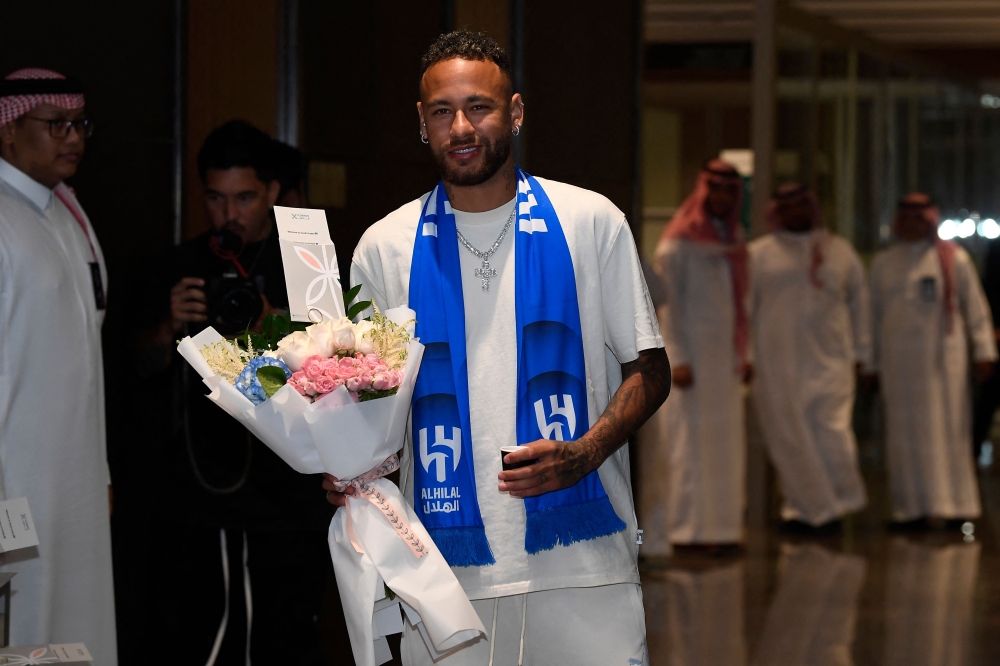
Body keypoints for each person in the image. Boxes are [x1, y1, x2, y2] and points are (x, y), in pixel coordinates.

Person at [326, 30, 670, 665]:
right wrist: (347, 461)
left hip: (583, 563)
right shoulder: (384, 245)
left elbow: (650, 369)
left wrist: (587, 451)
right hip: (440, 574)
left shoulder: (590, 221)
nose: (461, 127)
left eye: (479, 107)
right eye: (441, 111)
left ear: (514, 111)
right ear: (421, 124)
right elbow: (370, 401)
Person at [138, 121, 333, 664]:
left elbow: (342, 370)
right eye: (216, 199)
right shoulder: (180, 265)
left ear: (272, 192)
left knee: (288, 639)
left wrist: (277, 328)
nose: (230, 216)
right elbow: (141, 369)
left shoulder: (305, 263)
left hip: (288, 495)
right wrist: (168, 327)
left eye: (245, 198)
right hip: (200, 493)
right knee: (200, 641)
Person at [0, 69, 117, 660]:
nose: (72, 137)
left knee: (76, 623)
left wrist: (98, 473)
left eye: (79, 125)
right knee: (22, 625)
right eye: (55, 124)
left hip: (73, 480)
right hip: (15, 484)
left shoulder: (66, 213)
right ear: (9, 128)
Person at [749, 182, 870, 532]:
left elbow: (859, 305)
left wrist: (863, 353)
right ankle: (804, 510)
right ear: (777, 212)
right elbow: (744, 309)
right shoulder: (759, 254)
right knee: (789, 436)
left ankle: (839, 502)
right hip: (776, 362)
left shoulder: (841, 251)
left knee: (832, 433)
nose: (795, 213)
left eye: (802, 205)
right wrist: (747, 356)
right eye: (787, 207)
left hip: (833, 360)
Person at [870, 193, 997, 528]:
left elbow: (976, 310)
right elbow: (871, 318)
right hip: (898, 366)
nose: (912, 223)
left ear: (929, 220)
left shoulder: (954, 259)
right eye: (906, 216)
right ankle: (909, 510)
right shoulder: (884, 263)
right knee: (903, 436)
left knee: (948, 432)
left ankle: (954, 508)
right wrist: (869, 363)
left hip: (943, 365)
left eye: (919, 217)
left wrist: (984, 352)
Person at [654, 159, 752, 551]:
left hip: (724, 364)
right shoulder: (677, 244)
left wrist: (747, 354)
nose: (723, 198)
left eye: (730, 191)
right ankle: (687, 533)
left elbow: (745, 305)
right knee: (689, 448)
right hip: (689, 363)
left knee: (725, 447)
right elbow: (667, 307)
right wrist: (676, 357)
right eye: (716, 189)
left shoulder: (735, 242)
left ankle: (724, 531)